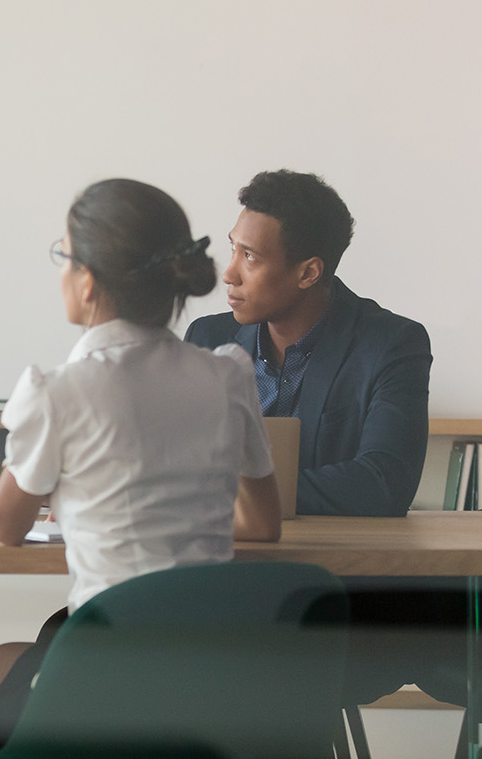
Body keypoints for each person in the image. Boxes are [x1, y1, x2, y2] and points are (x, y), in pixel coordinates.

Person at [0, 178, 283, 759]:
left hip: (106, 667)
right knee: (7, 676)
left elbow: (8, 526)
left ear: (89, 280)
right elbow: (262, 522)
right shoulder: (227, 375)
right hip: (216, 670)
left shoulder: (59, 390)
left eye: (63, 257)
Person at [184, 169, 432, 517]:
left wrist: (243, 495)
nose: (229, 273)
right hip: (225, 555)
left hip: (341, 564)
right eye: (233, 249)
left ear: (308, 273)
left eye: (250, 257)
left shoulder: (391, 344)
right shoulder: (208, 339)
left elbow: (384, 483)